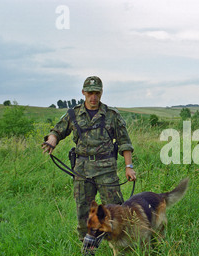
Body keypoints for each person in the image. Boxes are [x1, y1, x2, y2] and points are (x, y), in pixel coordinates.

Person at [42, 76, 136, 241]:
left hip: (106, 169)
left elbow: (125, 143)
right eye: (90, 93)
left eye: (97, 93)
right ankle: (87, 246)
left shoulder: (112, 115)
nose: (94, 97)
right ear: (83, 92)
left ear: (101, 93)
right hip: (82, 170)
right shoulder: (74, 114)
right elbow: (57, 131)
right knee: (83, 210)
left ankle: (121, 243)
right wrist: (51, 141)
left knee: (115, 209)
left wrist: (129, 166)